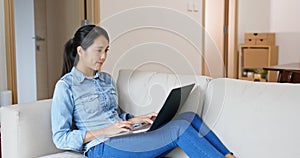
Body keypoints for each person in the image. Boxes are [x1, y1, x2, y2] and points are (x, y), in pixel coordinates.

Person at [51, 24, 236, 158]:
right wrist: (106, 130)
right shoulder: (66, 86)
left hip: (124, 136)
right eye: (99, 50)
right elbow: (61, 138)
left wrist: (136, 119)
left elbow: (115, 117)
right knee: (179, 129)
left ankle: (229, 156)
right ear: (80, 51)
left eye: (107, 50)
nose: (104, 57)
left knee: (188, 116)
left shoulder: (106, 79)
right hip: (101, 147)